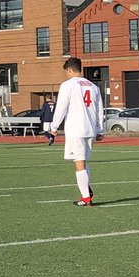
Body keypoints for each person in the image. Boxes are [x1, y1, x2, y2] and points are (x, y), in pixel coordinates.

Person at [50, 57, 104, 206]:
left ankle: (86, 197)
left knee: (79, 163)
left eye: (66, 72)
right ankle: (86, 190)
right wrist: (100, 129)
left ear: (69, 70)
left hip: (76, 129)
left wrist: (53, 127)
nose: (66, 75)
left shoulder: (68, 85)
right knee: (83, 162)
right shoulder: (93, 86)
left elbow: (61, 107)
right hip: (90, 130)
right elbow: (99, 110)